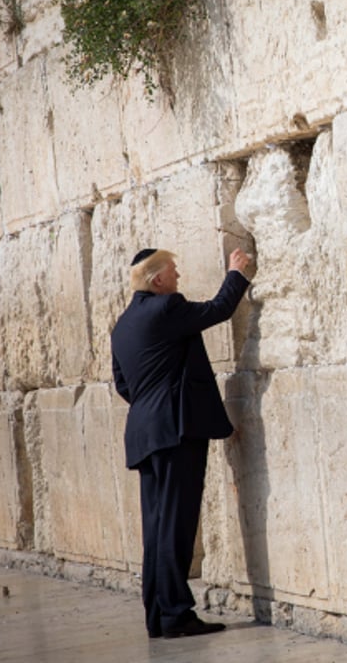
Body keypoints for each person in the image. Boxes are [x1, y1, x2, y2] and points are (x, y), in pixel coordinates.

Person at [110, 246, 250, 639]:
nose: (178, 277)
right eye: (173, 271)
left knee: (157, 528)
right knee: (175, 526)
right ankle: (175, 615)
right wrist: (236, 272)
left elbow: (124, 384)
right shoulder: (167, 309)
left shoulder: (123, 325)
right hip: (175, 432)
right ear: (157, 280)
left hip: (144, 433)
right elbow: (218, 310)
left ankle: (158, 613)